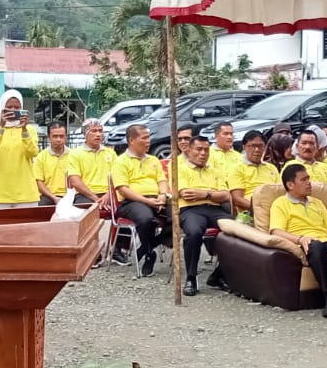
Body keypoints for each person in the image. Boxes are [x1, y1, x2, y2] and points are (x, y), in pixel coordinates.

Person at [269, 163, 327, 317]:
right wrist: (300, 239)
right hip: (308, 244)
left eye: (308, 178)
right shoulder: (280, 204)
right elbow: (276, 231)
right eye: (303, 180)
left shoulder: (317, 203)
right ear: (290, 185)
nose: (309, 182)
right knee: (315, 246)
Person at [111, 124, 171, 275]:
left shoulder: (153, 160)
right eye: (144, 138)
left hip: (157, 199)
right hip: (132, 202)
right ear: (132, 140)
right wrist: (147, 201)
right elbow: (123, 189)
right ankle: (150, 254)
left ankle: (145, 248)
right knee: (146, 219)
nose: (148, 141)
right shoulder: (120, 162)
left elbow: (162, 181)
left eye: (148, 137)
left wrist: (162, 196)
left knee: (181, 215)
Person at [175, 135, 232, 295]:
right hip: (190, 209)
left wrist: (204, 193)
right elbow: (187, 194)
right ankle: (191, 278)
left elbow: (225, 195)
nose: (203, 153)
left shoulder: (215, 170)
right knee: (193, 233)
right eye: (198, 149)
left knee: (238, 231)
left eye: (206, 150)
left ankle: (218, 275)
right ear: (189, 150)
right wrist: (212, 193)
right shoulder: (180, 169)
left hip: (215, 209)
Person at [0, 90, 41, 207]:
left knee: (28, 225)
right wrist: (1, 126)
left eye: (17, 107)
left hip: (26, 193)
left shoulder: (29, 129)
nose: (13, 110)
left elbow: (33, 152)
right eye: (9, 107)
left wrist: (24, 130)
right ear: (2, 107)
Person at [66, 119, 116, 205]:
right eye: (94, 131)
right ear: (85, 133)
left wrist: (109, 195)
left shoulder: (111, 153)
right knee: (84, 210)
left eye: (100, 131)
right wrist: (96, 199)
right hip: (85, 194)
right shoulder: (75, 154)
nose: (98, 134)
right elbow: (75, 182)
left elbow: (118, 177)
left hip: (109, 194)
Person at [232, 130, 282, 216]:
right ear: (244, 147)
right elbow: (237, 199)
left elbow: (280, 192)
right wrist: (258, 208)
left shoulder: (271, 168)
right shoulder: (237, 168)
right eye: (252, 146)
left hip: (274, 209)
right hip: (251, 211)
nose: (257, 150)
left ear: (265, 147)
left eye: (260, 146)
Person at [32, 123, 73, 203]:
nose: (58, 139)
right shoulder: (41, 157)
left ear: (66, 137)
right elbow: (39, 182)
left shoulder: (74, 155)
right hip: (48, 196)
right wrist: (53, 197)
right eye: (55, 136)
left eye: (61, 136)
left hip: (71, 195)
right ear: (49, 137)